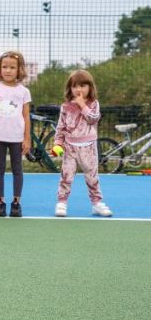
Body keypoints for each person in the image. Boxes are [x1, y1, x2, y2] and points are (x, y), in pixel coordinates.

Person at [53, 70, 113, 218]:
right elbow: (61, 127)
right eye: (75, 86)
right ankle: (62, 202)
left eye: (83, 86)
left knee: (92, 177)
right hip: (70, 148)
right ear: (70, 88)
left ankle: (97, 204)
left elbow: (93, 119)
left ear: (90, 87)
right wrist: (58, 144)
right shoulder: (66, 107)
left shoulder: (94, 104)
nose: (79, 89)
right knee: (66, 176)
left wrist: (82, 105)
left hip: (89, 148)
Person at [0, 51, 31, 217]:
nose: (8, 70)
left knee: (18, 170)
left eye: (12, 67)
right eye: (4, 67)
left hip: (17, 138)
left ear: (19, 70)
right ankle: (0, 202)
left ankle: (16, 202)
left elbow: (26, 116)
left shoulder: (24, 91)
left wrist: (27, 138)